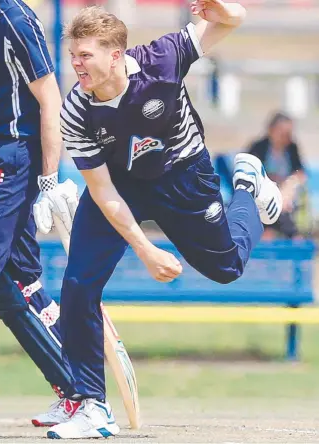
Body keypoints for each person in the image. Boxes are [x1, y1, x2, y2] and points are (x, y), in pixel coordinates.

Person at [37, 1, 283, 439]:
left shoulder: (163, 58)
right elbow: (104, 192)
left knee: (226, 269)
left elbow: (234, 19)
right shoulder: (76, 111)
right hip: (120, 187)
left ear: (115, 54)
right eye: (73, 56)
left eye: (85, 55)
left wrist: (217, 6)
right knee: (77, 285)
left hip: (182, 176)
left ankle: (247, 184)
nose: (77, 65)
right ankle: (91, 404)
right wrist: (144, 248)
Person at [0, 0, 83, 426]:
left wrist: (49, 179)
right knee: (15, 286)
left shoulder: (14, 18)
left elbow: (50, 98)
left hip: (14, 157)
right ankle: (80, 390)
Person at [248, 112, 307, 239]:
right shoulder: (259, 147)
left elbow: (300, 173)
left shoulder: (292, 148)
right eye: (283, 133)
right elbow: (250, 173)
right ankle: (288, 233)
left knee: (286, 198)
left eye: (289, 133)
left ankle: (277, 231)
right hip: (264, 192)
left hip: (287, 195)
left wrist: (289, 185)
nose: (286, 137)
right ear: (271, 130)